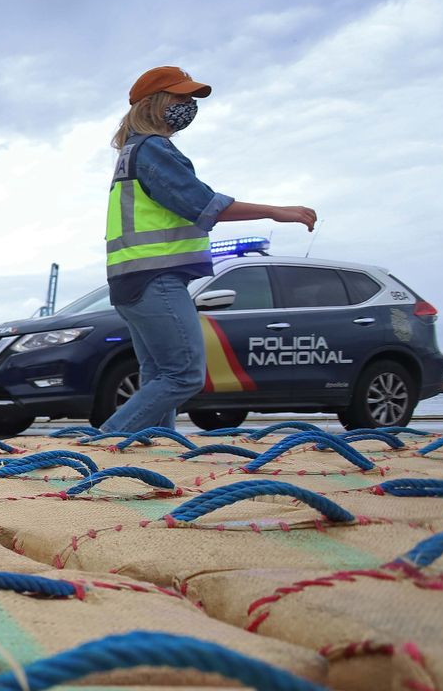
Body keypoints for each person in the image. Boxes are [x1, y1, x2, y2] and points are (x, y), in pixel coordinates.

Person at [102, 66, 317, 432]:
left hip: (132, 281)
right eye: (181, 97)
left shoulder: (132, 152)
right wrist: (275, 211)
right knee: (184, 375)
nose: (188, 104)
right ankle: (107, 441)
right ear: (154, 103)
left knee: (159, 374)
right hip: (155, 279)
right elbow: (204, 204)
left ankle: (155, 447)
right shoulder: (152, 149)